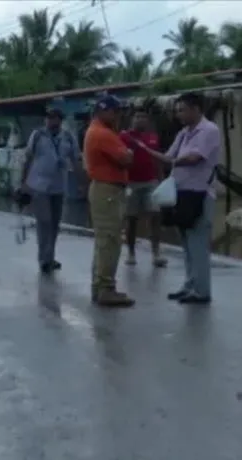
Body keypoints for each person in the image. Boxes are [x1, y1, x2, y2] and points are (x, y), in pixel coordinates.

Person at [132, 92, 220, 305]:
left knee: (198, 244)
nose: (179, 114)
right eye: (178, 110)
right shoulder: (183, 133)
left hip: (199, 193)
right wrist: (146, 151)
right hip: (181, 193)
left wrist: (165, 158)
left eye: (182, 110)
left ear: (196, 109)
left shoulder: (209, 130)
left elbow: (193, 158)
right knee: (187, 243)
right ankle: (189, 285)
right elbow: (169, 156)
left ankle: (201, 291)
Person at [83, 95, 135, 307]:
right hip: (108, 190)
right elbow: (126, 158)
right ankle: (106, 288)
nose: (118, 116)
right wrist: (129, 152)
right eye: (116, 112)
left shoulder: (98, 130)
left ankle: (100, 286)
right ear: (105, 112)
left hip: (104, 189)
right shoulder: (103, 133)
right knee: (110, 240)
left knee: (104, 240)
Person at [20, 107, 81, 273]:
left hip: (59, 186)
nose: (52, 121)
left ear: (60, 120)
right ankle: (44, 259)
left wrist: (82, 181)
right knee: (44, 221)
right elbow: (28, 158)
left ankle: (50, 257)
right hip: (38, 186)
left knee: (54, 224)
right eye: (49, 118)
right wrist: (23, 182)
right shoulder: (38, 135)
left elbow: (75, 160)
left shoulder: (68, 137)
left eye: (55, 118)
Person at [119, 107, 167, 268]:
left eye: (143, 117)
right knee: (131, 219)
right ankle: (131, 252)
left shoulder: (153, 137)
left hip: (151, 181)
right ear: (132, 120)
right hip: (131, 183)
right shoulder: (124, 137)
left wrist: (161, 180)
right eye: (137, 117)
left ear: (148, 121)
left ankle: (156, 252)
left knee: (155, 216)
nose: (140, 120)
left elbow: (158, 159)